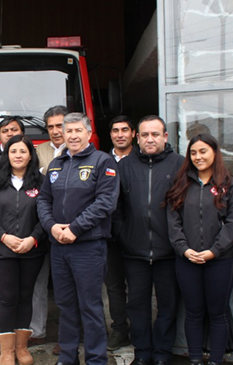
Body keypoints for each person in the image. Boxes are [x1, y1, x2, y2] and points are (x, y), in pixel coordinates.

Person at [37, 112, 119, 365]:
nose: (72, 135)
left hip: (88, 247)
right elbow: (43, 200)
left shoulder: (102, 161)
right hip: (59, 248)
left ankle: (96, 359)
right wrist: (52, 227)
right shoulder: (57, 164)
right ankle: (68, 357)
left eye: (77, 131)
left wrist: (74, 229)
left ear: (87, 132)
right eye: (68, 131)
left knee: (90, 307)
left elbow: (105, 203)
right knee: (65, 306)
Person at [166, 133, 233, 365]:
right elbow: (173, 221)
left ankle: (216, 360)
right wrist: (184, 250)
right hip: (187, 260)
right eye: (193, 152)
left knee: (218, 313)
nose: (198, 157)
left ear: (214, 153)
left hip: (220, 261)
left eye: (203, 151)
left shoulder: (229, 185)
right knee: (193, 312)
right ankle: (195, 360)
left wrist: (214, 251)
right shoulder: (181, 184)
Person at [113, 115, 184, 365]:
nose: (150, 139)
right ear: (137, 137)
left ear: (165, 137)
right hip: (135, 252)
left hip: (169, 252)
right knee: (137, 306)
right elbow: (117, 208)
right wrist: (124, 235)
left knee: (168, 305)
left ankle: (163, 353)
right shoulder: (124, 166)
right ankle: (142, 353)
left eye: (155, 134)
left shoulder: (180, 165)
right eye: (145, 135)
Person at [0, 135, 48, 365]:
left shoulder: (41, 182)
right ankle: (6, 351)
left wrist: (33, 238)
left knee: (26, 297)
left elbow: (47, 214)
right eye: (13, 151)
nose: (18, 155)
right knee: (8, 299)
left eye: (23, 151)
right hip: (2, 250)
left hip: (32, 250)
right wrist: (4, 237)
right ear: (7, 155)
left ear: (30, 155)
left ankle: (21, 347)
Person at [29, 105, 68, 352]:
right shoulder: (37, 152)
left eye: (60, 125)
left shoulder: (79, 151)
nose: (55, 131)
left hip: (68, 229)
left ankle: (67, 337)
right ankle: (38, 331)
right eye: (51, 126)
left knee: (66, 286)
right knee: (38, 282)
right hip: (41, 227)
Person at [104, 115, 135, 352]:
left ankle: (140, 328)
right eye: (115, 130)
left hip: (138, 234)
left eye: (125, 130)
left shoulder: (142, 159)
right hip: (109, 236)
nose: (120, 134)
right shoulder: (102, 160)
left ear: (133, 133)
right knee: (114, 286)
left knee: (138, 285)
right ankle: (120, 329)